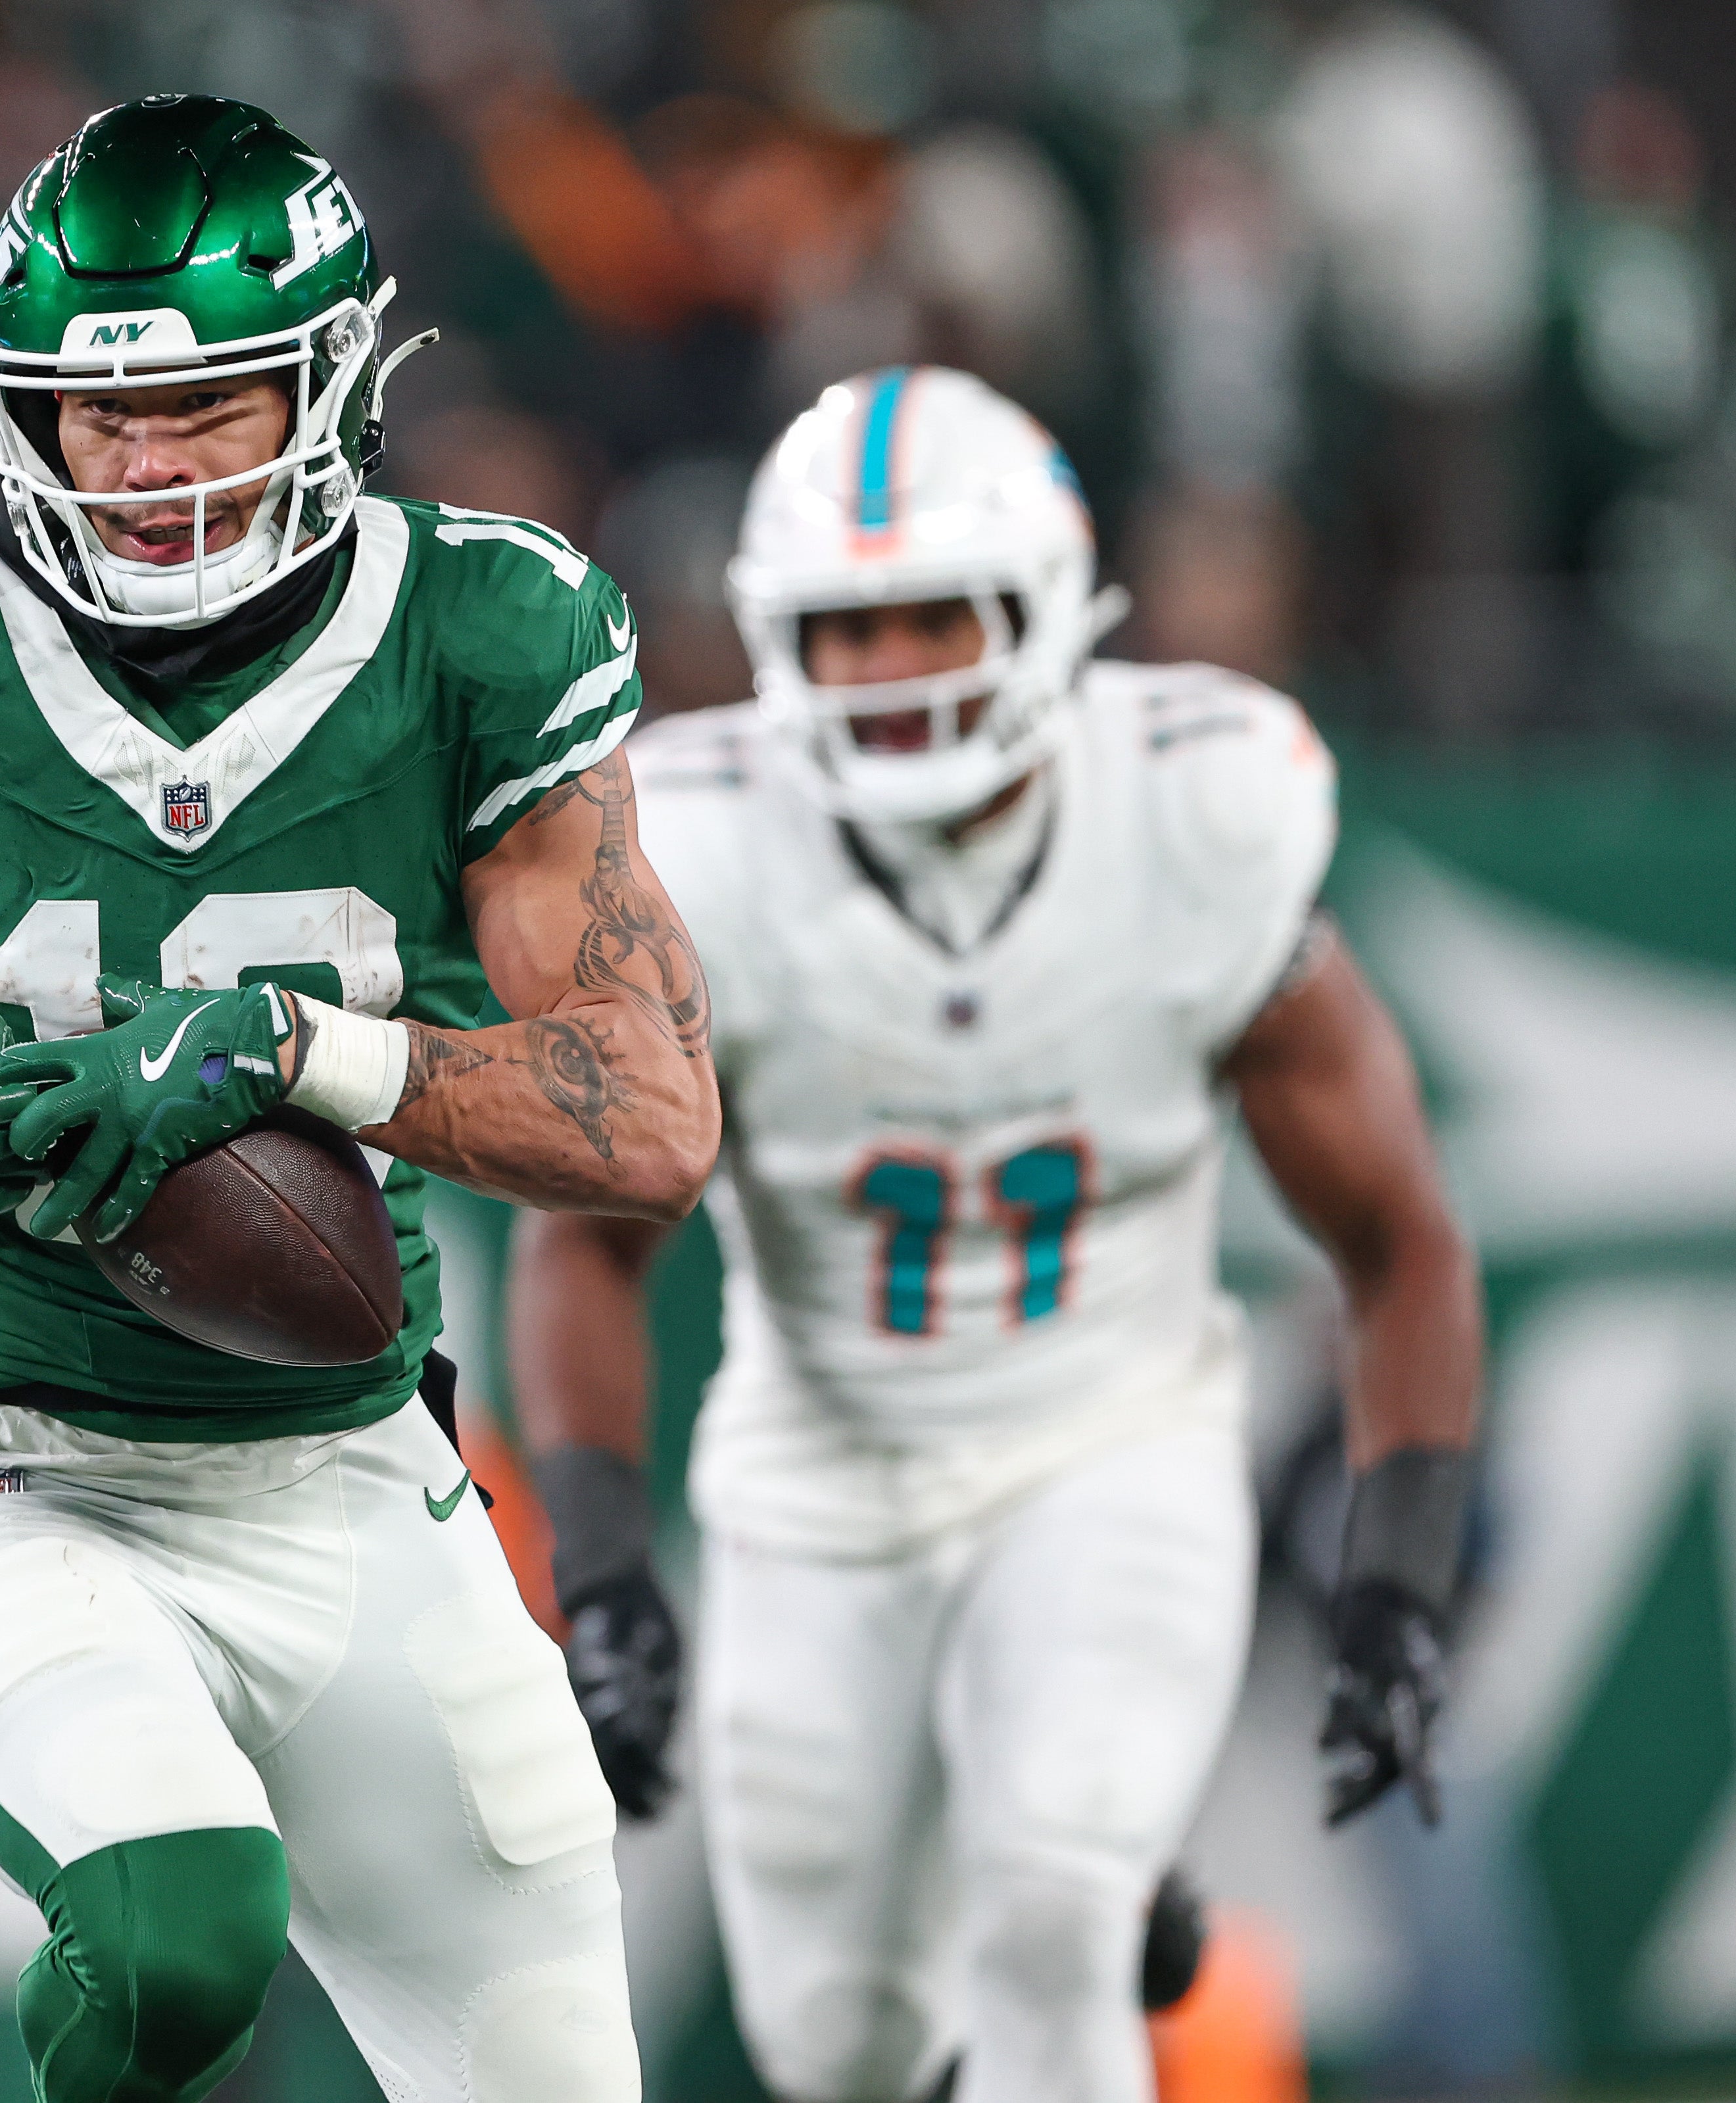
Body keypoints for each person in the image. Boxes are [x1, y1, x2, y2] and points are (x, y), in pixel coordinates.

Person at [0, 93, 719, 2103]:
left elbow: (648, 1116)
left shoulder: (484, 629)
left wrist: (293, 1050)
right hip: (30, 1459)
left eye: (205, 404)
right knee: (174, 1931)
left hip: (349, 1460)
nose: (139, 465)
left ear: (330, 381)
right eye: (91, 414)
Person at [506, 365, 1480, 2103]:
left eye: (926, 617)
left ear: (1044, 606)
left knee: (1050, 1916)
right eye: (843, 627)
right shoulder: (691, 849)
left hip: (1110, 1438)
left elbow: (1402, 1236)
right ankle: (1067, 1874)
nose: (887, 674)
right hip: (818, 1470)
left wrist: (1398, 1577)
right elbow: (584, 1243)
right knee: (840, 2039)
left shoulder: (1196, 806)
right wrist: (601, 1568)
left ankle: (1082, 1880)